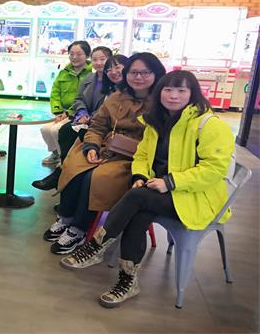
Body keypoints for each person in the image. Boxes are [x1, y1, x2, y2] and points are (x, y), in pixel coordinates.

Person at [59, 70, 234, 308]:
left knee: (137, 199)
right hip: (158, 192)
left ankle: (97, 245)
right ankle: (127, 281)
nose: (173, 96)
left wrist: (170, 182)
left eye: (181, 90)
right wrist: (140, 176)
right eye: (168, 90)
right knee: (139, 210)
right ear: (159, 92)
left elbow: (215, 169)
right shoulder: (156, 121)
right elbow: (142, 155)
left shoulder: (209, 125)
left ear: (193, 93)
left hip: (196, 197)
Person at [46, 52, 166, 253]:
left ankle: (79, 228)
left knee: (96, 177)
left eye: (145, 72)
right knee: (73, 165)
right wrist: (91, 146)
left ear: (156, 74)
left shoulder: (161, 102)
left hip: (134, 157)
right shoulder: (116, 97)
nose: (138, 77)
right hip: (105, 147)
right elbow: (98, 125)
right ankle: (66, 217)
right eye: (134, 72)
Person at [32, 53, 127, 190]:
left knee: (70, 133)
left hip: (106, 130)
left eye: (117, 67)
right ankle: (62, 170)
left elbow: (105, 114)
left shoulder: (124, 92)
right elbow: (73, 98)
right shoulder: (98, 82)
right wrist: (77, 113)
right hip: (83, 117)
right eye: (109, 69)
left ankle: (62, 172)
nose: (112, 72)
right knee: (64, 131)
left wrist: (88, 118)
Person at [39, 41, 93, 165]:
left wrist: (68, 113)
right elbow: (55, 92)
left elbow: (84, 99)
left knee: (55, 130)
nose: (74, 57)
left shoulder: (91, 74)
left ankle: (64, 158)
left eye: (79, 54)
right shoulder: (64, 72)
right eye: (71, 54)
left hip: (78, 113)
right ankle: (55, 153)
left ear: (87, 55)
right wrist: (58, 111)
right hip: (62, 112)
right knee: (45, 129)